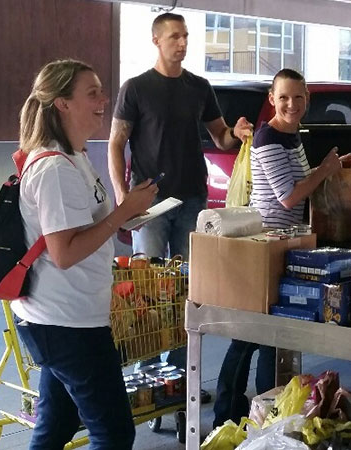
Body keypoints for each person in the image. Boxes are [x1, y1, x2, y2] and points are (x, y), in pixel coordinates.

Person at [12, 59, 158, 449]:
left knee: (56, 427)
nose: (103, 100)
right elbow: (64, 252)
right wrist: (122, 213)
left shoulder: (75, 157)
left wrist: (122, 220)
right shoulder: (55, 169)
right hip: (66, 326)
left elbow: (82, 229)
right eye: (91, 93)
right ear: (62, 103)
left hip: (64, 320)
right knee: (112, 433)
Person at [108, 12, 253, 374]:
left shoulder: (199, 87)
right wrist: (122, 196)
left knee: (187, 291)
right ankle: (148, 377)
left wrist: (236, 133)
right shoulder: (137, 88)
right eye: (175, 36)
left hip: (192, 199)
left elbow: (220, 136)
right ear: (157, 40)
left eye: (186, 36)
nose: (183, 43)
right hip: (151, 202)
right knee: (149, 291)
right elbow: (116, 144)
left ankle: (179, 376)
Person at [213, 68, 344, 427]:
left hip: (285, 242)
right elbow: (288, 197)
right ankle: (225, 414)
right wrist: (326, 169)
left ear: (307, 99)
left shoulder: (292, 135)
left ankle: (267, 411)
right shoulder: (269, 137)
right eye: (283, 97)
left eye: (298, 97)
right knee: (248, 333)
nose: (291, 104)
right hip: (265, 242)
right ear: (272, 99)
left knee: (274, 332)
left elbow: (295, 182)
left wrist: (327, 168)